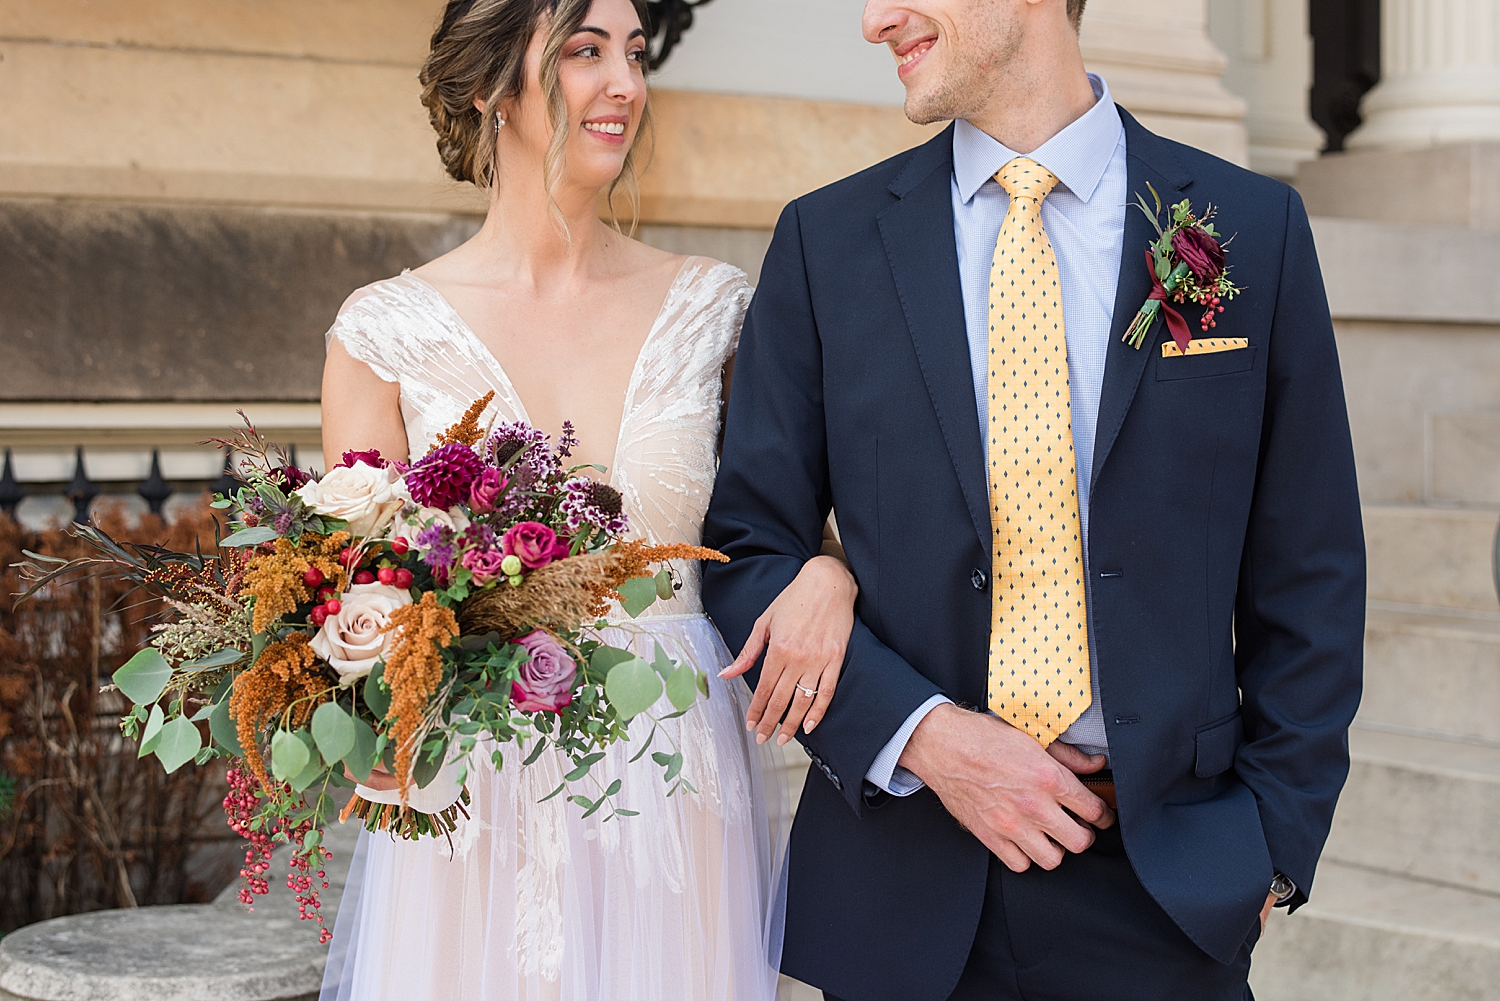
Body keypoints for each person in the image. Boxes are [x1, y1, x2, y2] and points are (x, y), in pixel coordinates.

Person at [701, 0, 1365, 999]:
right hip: (906, 887)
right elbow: (743, 552)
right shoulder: (824, 243)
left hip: (1164, 890)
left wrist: (1270, 843)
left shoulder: (1243, 228)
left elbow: (1309, 567)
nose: (877, 21)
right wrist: (924, 734)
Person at [316, 2, 857, 998]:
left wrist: (832, 571)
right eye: (583, 52)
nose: (626, 84)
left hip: (678, 778)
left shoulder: (718, 311)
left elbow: (792, 531)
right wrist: (366, 702)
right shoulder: (380, 336)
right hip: (474, 797)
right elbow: (362, 592)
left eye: (636, 55)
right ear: (488, 87)